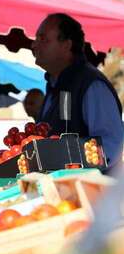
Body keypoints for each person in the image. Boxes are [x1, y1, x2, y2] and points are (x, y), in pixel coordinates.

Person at [32, 13, 123, 171]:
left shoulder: (91, 85)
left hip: (91, 192)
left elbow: (110, 145)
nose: (34, 46)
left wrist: (65, 157)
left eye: (43, 39)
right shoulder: (60, 85)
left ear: (66, 45)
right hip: (63, 191)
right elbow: (64, 130)